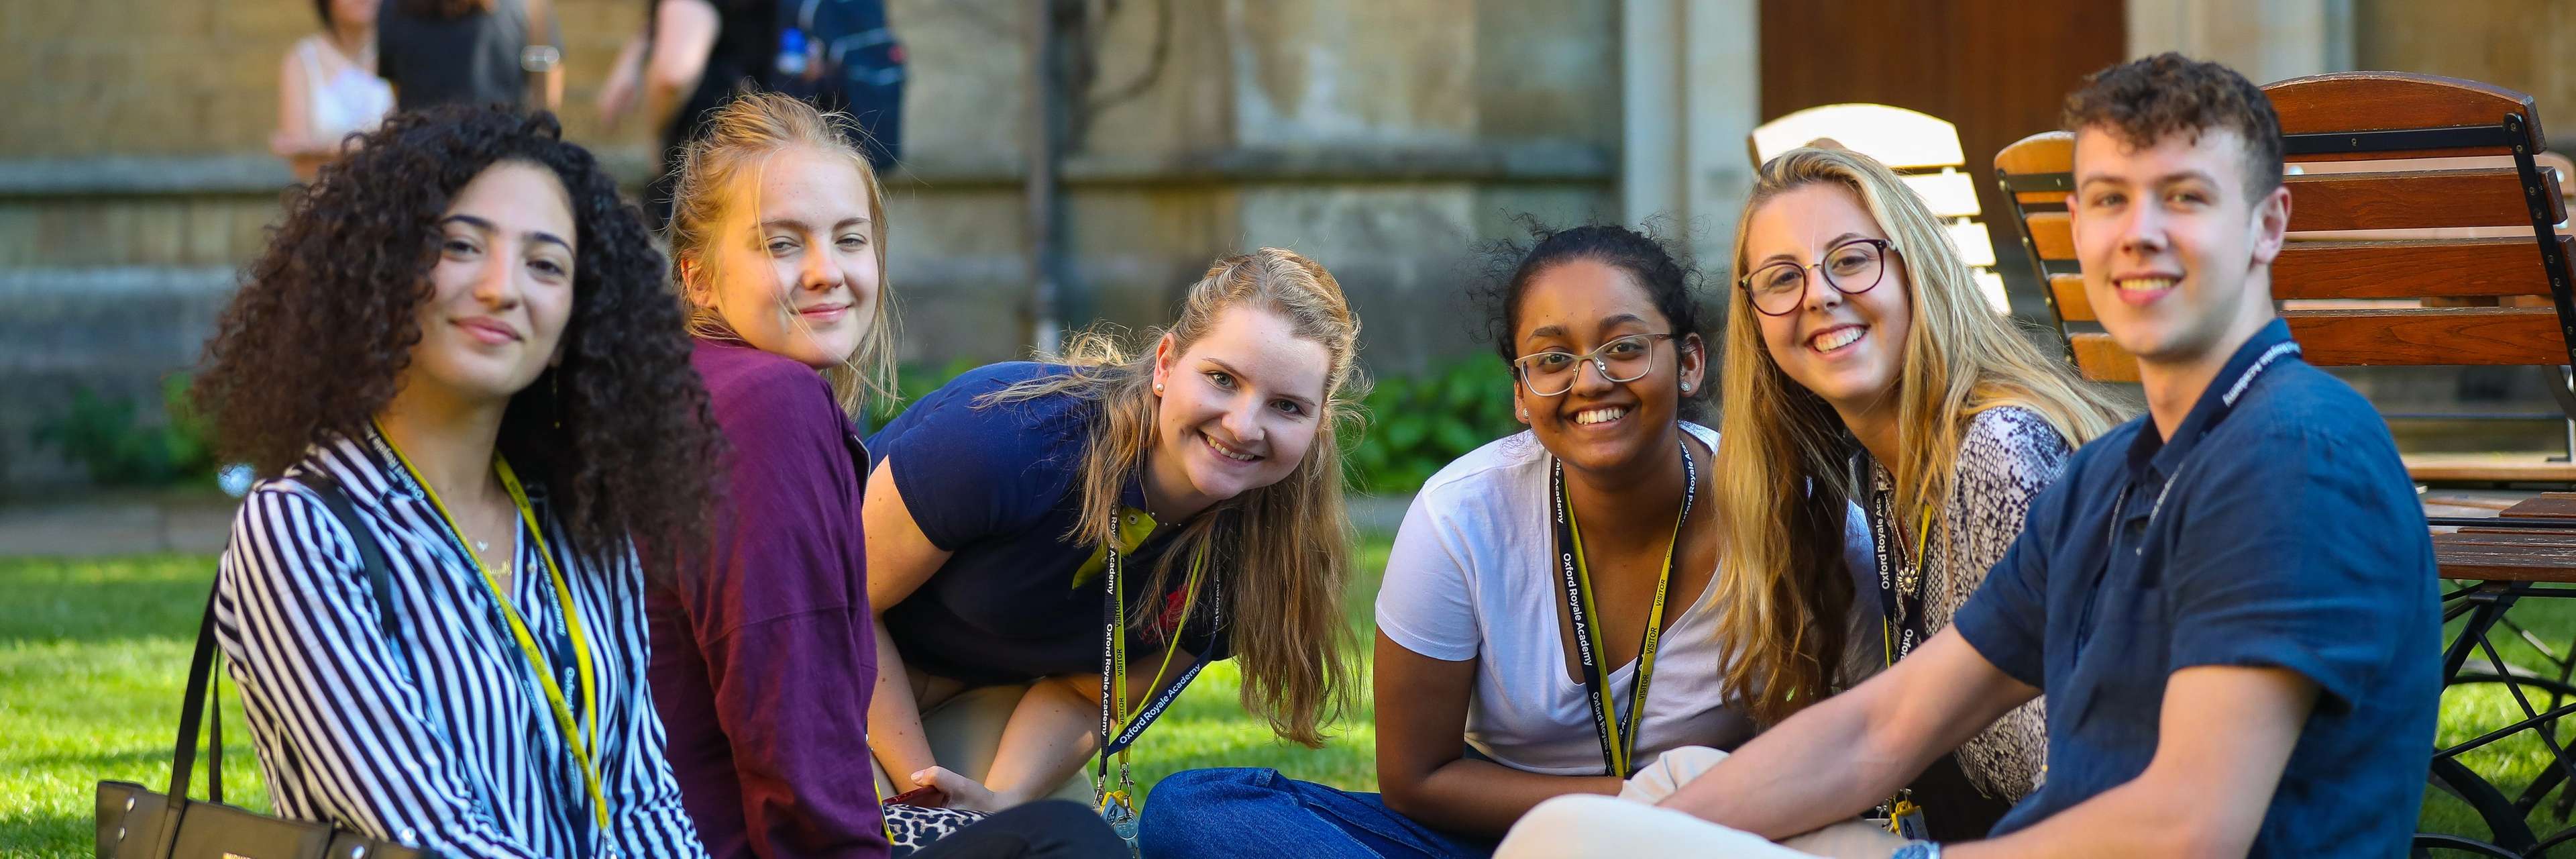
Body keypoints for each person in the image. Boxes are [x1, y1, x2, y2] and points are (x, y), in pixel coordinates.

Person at [1496, 52, 2440, 859]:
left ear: (2268, 226)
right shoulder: (2117, 475)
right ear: (2077, 228)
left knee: (1562, 839)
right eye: (2110, 199)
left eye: (2184, 198)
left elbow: (2188, 828)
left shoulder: (2290, 454)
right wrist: (1656, 841)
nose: (2139, 233)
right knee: (1631, 812)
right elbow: (1886, 725)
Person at [1138, 225, 1872, 859]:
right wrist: (1623, 807)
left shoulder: (1792, 511)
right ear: (1522, 393)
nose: (1591, 379)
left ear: (1688, 361)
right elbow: (1417, 778)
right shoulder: (1462, 516)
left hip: (1710, 835)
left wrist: (1667, 825)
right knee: (1193, 808)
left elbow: (1862, 733)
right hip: (1507, 841)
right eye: (1552, 359)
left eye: (1624, 346)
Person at [193, 104, 718, 857]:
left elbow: (642, 803)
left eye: (546, 264)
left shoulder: (581, 520)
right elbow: (433, 838)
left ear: (579, 317)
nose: (504, 288)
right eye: (463, 246)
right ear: (386, 264)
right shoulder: (304, 530)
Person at [644, 90, 1126, 859]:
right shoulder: (770, 403)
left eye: (849, 239)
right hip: (714, 837)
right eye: (780, 244)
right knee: (1069, 842)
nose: (826, 272)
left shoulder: (694, 383)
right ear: (699, 277)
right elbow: (781, 700)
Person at [860, 248, 1365, 829]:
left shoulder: (1254, 554)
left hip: (980, 701)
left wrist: (997, 805)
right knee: (865, 839)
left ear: (1318, 421)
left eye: (1287, 407)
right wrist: (929, 805)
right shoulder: (1004, 441)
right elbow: (841, 602)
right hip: (822, 664)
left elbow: (1083, 694)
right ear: (1165, 365)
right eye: (1222, 379)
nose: (1244, 426)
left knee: (1068, 845)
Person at [1710, 146, 2128, 840]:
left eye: (1850, 259)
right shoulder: (1882, 468)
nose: (1817, 294)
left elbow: (2083, 776)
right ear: (1755, 317)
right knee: (1667, 791)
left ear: (1916, 269)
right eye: (1782, 278)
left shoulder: (1998, 452)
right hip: (1965, 833)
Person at [271, 0, 394, 182]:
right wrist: (378, 146)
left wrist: (322, 150)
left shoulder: (399, 53)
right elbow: (300, 164)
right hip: (325, 200)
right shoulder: (303, 60)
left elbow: (409, 145)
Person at [378, 0, 563, 113]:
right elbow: (547, 66)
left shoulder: (393, 7)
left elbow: (392, 82)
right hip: (503, 148)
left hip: (423, 152)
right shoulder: (526, 4)